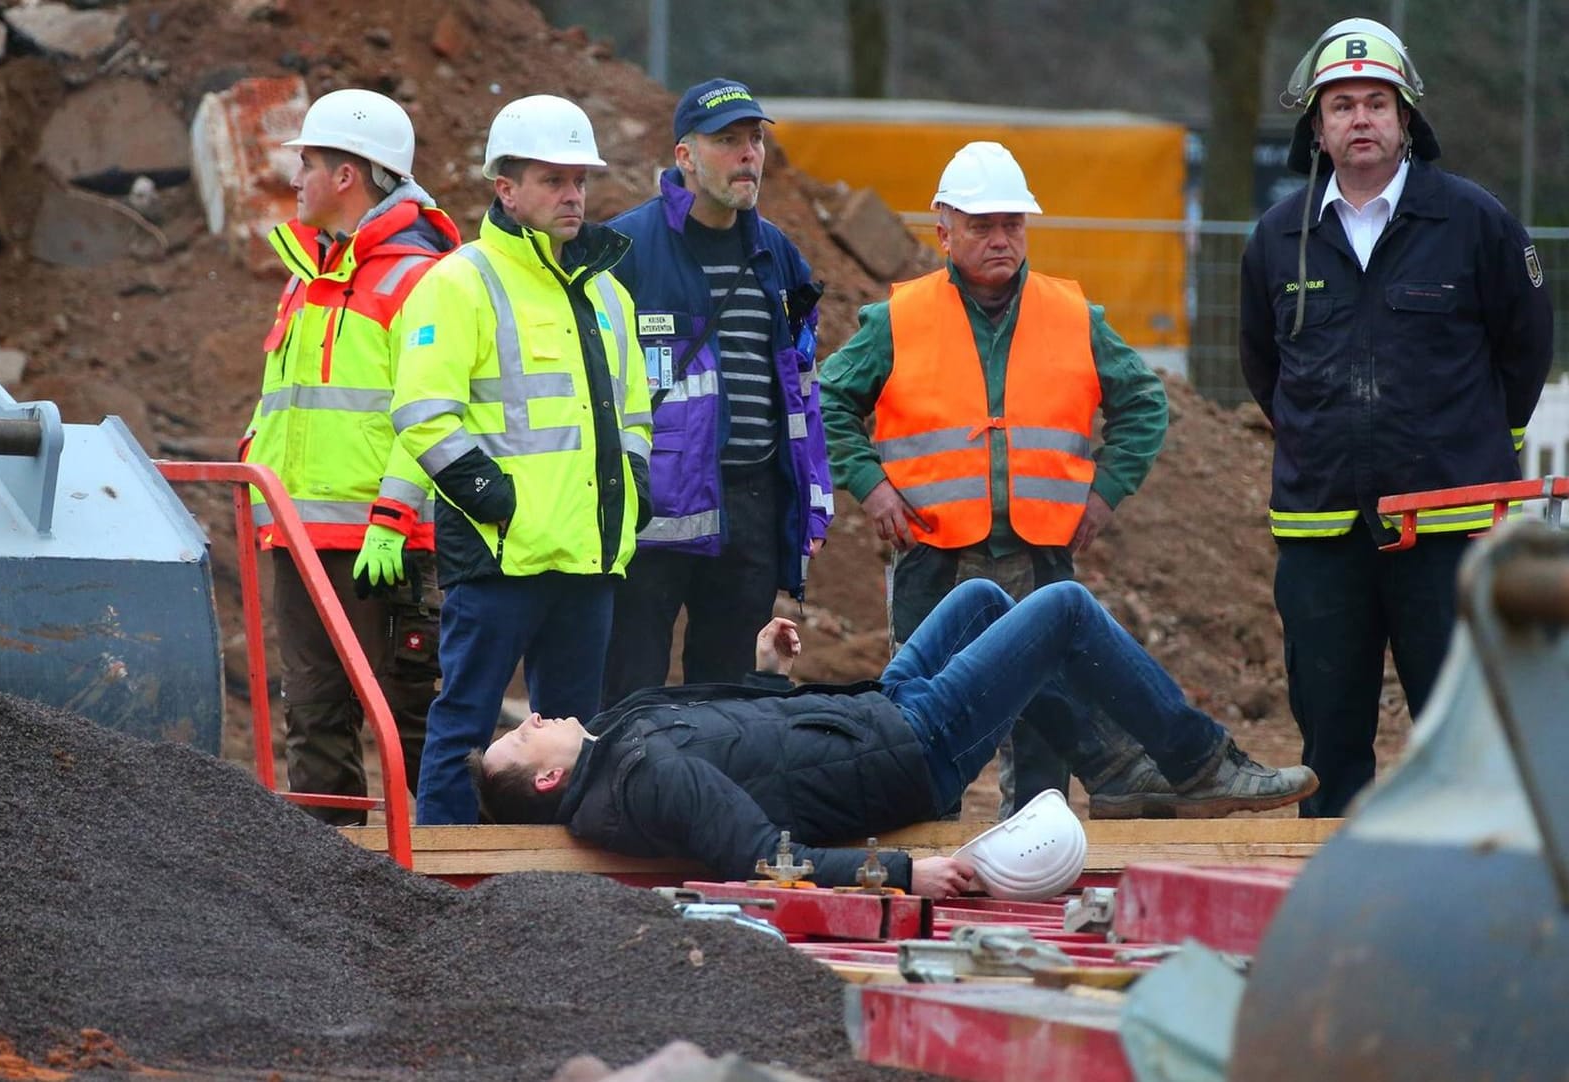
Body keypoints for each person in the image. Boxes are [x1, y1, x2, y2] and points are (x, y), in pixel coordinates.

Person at [471, 578, 1319, 899]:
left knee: (984, 596)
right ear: (548, 785)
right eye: (526, 740)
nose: (535, 717)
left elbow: (746, 745)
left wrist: (767, 674)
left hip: (873, 710)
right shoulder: (637, 781)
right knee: (1061, 609)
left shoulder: (618, 740)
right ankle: (1198, 761)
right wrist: (906, 872)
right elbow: (766, 856)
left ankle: (1113, 769)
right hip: (908, 749)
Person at [1239, 18, 1553, 816]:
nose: (1360, 121)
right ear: (1317, 126)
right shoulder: (1278, 239)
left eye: (1376, 102)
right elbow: (1262, 367)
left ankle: (1470, 895)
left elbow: (1526, 349)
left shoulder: (1475, 224)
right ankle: (1339, 906)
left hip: (1448, 525)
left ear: (1406, 117)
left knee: (1463, 732)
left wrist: (1483, 451)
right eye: (1340, 106)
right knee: (1329, 740)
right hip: (1321, 534)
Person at [819, 141, 1180, 820]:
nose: (999, 239)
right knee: (921, 722)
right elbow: (829, 401)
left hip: (1038, 554)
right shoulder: (898, 319)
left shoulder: (1073, 317)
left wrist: (1103, 495)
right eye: (981, 226)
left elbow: (1144, 402)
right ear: (943, 231)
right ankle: (923, 856)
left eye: (1012, 224)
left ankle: (1036, 858)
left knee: (1044, 724)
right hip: (935, 560)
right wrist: (869, 485)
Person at [390, 94, 654, 825]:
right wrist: (492, 500)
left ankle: (554, 890)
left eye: (579, 181)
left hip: (585, 556)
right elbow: (420, 410)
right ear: (505, 189)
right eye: (553, 180)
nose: (573, 196)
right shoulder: (459, 282)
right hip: (498, 555)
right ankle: (439, 873)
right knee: (465, 721)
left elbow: (635, 410)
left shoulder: (606, 292)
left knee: (573, 739)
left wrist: (632, 482)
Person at [241, 87, 460, 824]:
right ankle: (326, 899)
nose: (294, 179)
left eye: (307, 163)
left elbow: (432, 415)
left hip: (386, 542)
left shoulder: (419, 278)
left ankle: (467, 889)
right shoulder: (309, 277)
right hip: (302, 537)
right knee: (315, 721)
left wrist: (396, 518)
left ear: (348, 176)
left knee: (414, 724)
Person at [600, 78, 832, 704]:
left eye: (753, 139)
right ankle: (623, 800)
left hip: (751, 505)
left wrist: (811, 495)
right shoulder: (625, 250)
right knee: (630, 688)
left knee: (727, 697)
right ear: (685, 155)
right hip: (654, 510)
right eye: (727, 140)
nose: (748, 155)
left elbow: (800, 390)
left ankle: (708, 799)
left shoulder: (777, 255)